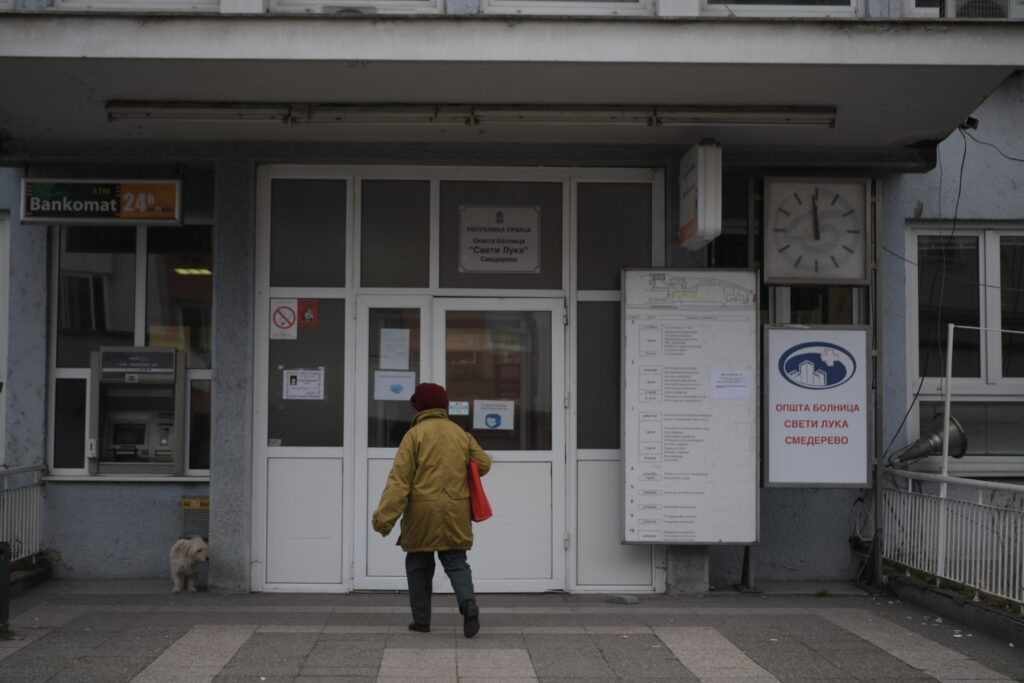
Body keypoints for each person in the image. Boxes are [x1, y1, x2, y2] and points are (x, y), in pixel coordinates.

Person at [371, 382, 491, 638]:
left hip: (421, 513)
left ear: (420, 406)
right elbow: (484, 463)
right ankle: (468, 604)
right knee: (456, 561)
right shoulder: (460, 433)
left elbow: (399, 481)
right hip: (456, 510)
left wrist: (384, 519)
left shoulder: (414, 435)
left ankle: (422, 621)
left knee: (418, 564)